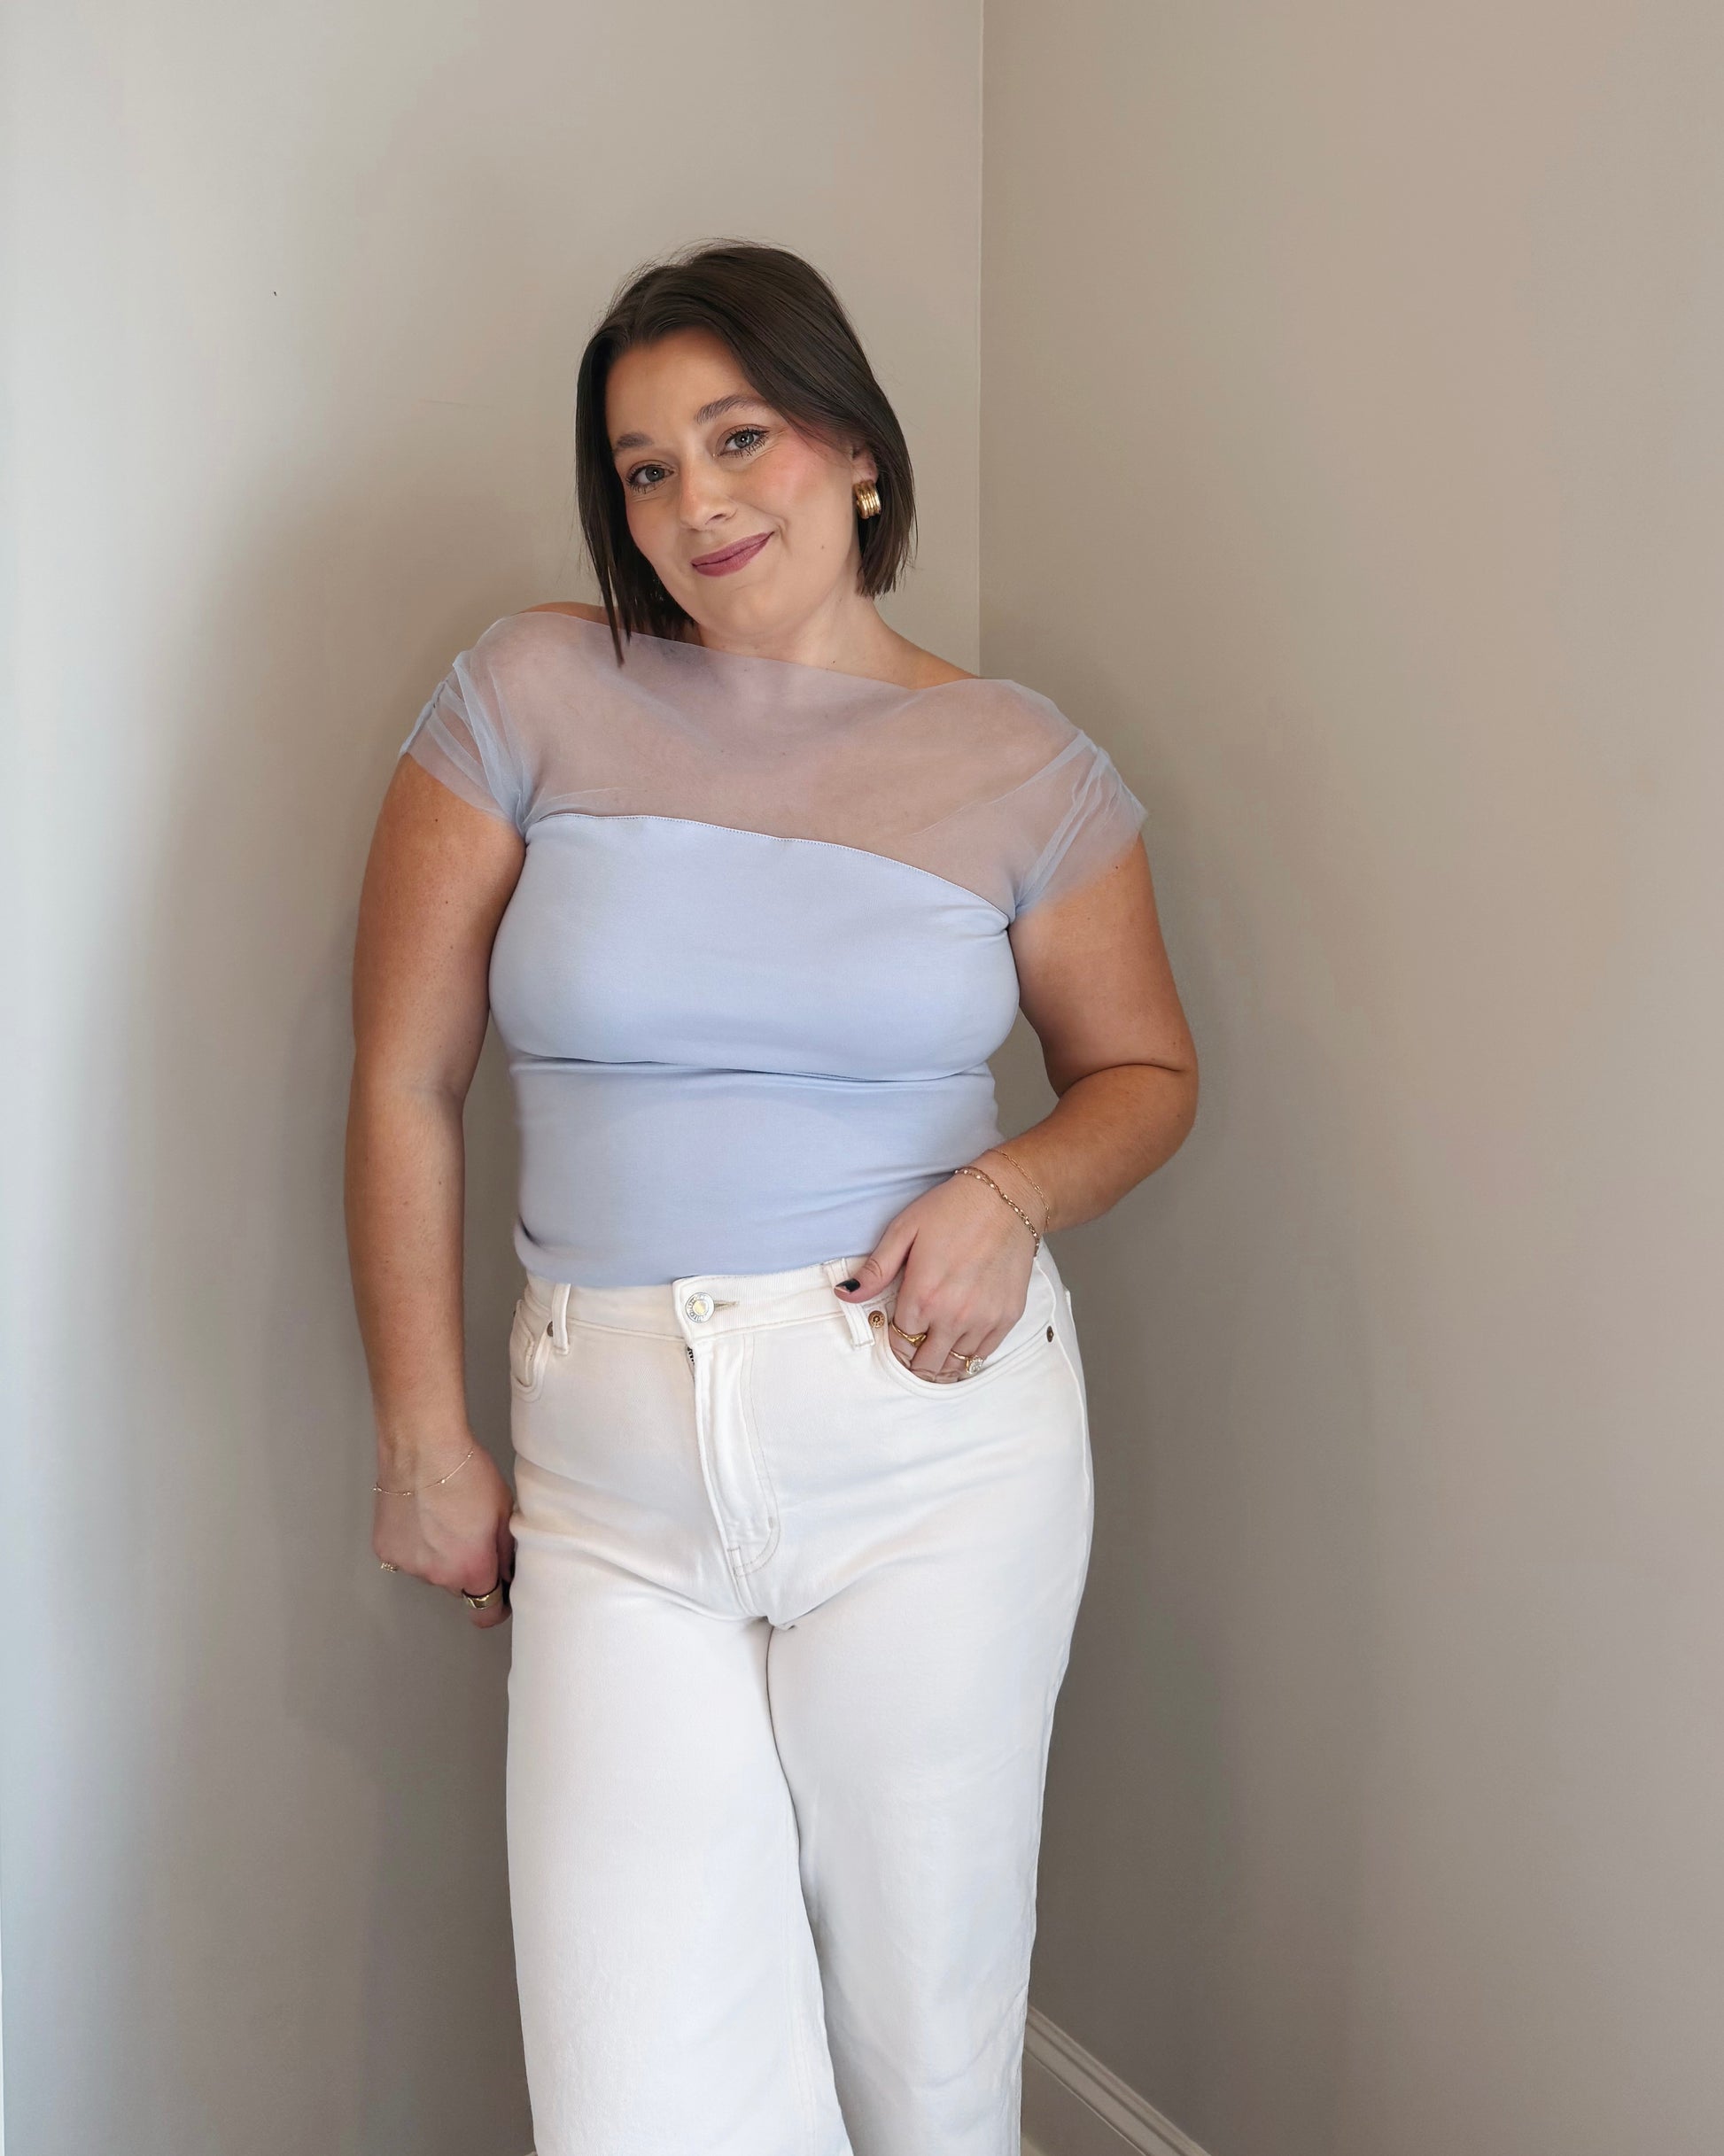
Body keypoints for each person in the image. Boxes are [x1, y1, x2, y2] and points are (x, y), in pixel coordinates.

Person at [344, 238, 1198, 2156]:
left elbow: (1145, 1074)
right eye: (643, 465)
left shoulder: (1021, 762)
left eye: (740, 437)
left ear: (858, 450)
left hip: (931, 1453)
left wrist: (1009, 1189)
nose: (696, 501)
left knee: (926, 2051)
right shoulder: (529, 688)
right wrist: (420, 1435)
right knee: (639, 2087)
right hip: (608, 1478)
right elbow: (402, 1078)